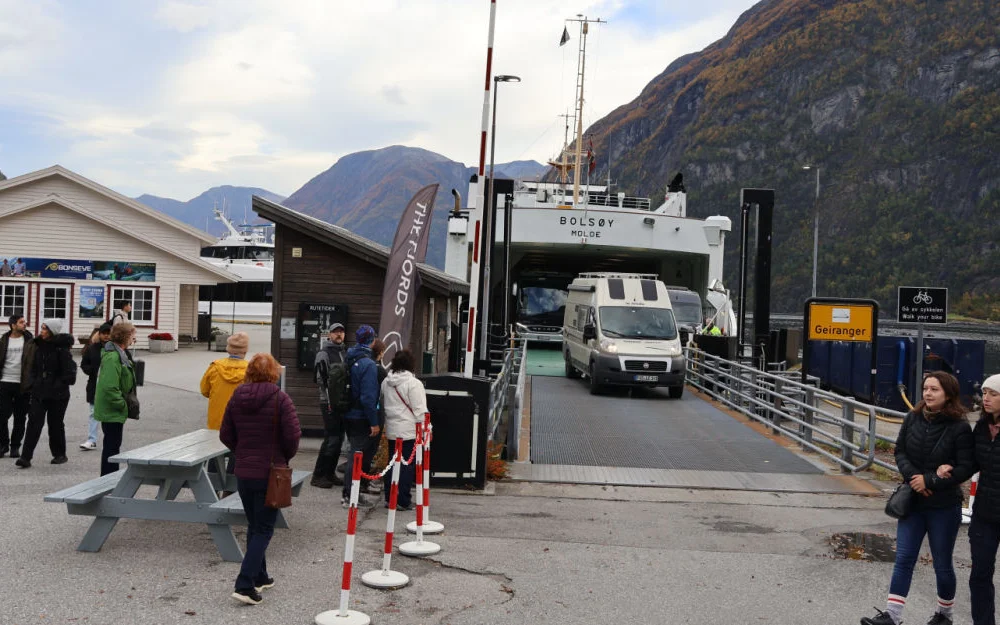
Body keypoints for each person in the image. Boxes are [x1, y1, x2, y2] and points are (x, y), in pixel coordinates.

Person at [861, 371, 976, 625]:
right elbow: (900, 451)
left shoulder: (959, 427)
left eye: (934, 389)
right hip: (913, 503)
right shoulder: (912, 417)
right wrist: (916, 479)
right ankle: (892, 616)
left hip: (943, 506)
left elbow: (966, 467)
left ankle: (944, 615)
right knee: (903, 559)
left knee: (942, 564)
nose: (928, 393)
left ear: (948, 394)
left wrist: (931, 481)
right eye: (926, 388)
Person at [219, 352, 301, 606]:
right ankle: (244, 583)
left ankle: (259, 576)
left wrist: (242, 452)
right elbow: (292, 437)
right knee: (264, 528)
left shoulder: (237, 396)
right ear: (274, 373)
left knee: (255, 525)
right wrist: (283, 456)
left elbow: (225, 434)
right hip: (271, 470)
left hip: (244, 470)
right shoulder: (280, 399)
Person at [16, 319, 77, 468]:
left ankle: (59, 454)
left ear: (52, 331)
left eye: (45, 328)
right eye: (42, 328)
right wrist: (33, 383)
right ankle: (25, 457)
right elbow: (33, 367)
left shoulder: (62, 349)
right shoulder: (38, 346)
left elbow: (69, 375)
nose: (41, 331)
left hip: (58, 395)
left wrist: (56, 384)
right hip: (39, 391)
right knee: (33, 423)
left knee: (55, 424)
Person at [965, 373, 1000, 625]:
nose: (986, 398)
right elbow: (971, 463)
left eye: (993, 394)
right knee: (979, 575)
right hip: (985, 515)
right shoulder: (981, 427)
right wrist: (944, 472)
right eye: (985, 393)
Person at [381, 349, 427, 511]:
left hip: (392, 429)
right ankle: (403, 500)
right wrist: (426, 429)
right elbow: (420, 410)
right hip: (408, 431)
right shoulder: (414, 384)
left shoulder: (386, 382)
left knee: (392, 464)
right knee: (406, 466)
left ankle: (390, 497)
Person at [341, 324, 381, 508]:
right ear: (372, 341)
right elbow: (368, 397)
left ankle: (351, 493)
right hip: (361, 416)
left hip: (347, 412)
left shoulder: (349, 356)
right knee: (357, 455)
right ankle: (350, 495)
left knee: (354, 452)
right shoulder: (368, 364)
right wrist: (374, 422)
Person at [94, 322, 137, 476]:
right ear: (125, 336)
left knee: (113, 445)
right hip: (112, 409)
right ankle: (107, 479)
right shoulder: (113, 357)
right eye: (132, 335)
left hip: (114, 409)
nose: (134, 339)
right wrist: (122, 405)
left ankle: (109, 477)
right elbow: (109, 387)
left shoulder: (120, 354)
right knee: (111, 447)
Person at [311, 323, 346, 489]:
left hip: (342, 402)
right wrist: (331, 397)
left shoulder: (345, 352)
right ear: (329, 335)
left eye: (341, 332)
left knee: (338, 439)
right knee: (331, 439)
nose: (339, 334)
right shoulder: (323, 354)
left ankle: (330, 473)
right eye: (335, 332)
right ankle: (318, 475)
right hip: (328, 402)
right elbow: (320, 379)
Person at [200, 332, 250, 430]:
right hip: (240, 424)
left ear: (228, 349)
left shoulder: (215, 367)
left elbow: (204, 390)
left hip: (216, 422)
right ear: (245, 351)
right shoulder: (251, 371)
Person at [0, 314, 33, 458]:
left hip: (22, 384)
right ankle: (3, 445)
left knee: (20, 417)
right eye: (21, 322)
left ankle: (15, 446)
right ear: (13, 325)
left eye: (24, 322)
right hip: (4, 382)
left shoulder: (30, 341)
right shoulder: (3, 340)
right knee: (2, 415)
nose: (24, 324)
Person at [79, 323, 112, 450]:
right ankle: (91, 439)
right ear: (100, 334)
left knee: (109, 412)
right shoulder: (92, 348)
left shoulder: (115, 348)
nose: (106, 336)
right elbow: (84, 364)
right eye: (104, 333)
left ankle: (109, 439)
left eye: (109, 333)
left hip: (110, 384)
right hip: (95, 383)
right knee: (93, 412)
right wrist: (92, 371)